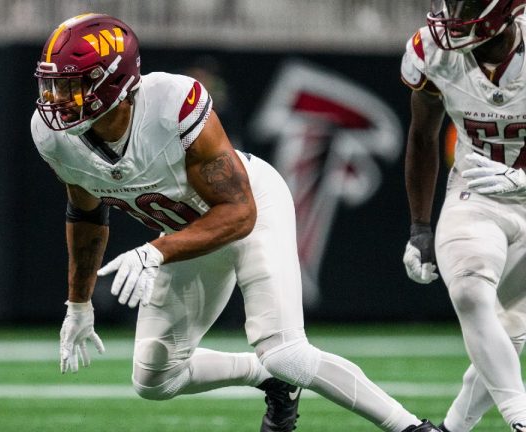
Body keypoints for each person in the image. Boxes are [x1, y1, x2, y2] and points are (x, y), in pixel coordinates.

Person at [31, 13, 441, 432]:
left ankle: (411, 427)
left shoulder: (173, 102)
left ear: (113, 82)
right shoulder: (54, 137)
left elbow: (239, 211)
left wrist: (156, 250)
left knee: (286, 353)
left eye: (71, 85)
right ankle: (272, 383)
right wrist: (78, 306)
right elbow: (85, 212)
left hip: (252, 206)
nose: (56, 99)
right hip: (189, 233)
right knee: (155, 378)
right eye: (52, 85)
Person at [400, 1, 526, 431]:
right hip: (476, 195)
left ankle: (453, 429)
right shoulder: (432, 52)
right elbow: (422, 136)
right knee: (470, 291)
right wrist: (419, 226)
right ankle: (522, 418)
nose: (454, 12)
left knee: (511, 328)